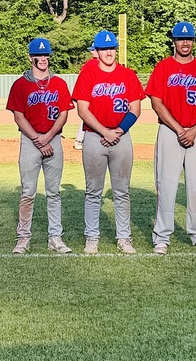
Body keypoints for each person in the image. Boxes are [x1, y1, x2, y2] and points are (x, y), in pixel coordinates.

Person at [146, 21, 196, 255]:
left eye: (189, 39)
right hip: (170, 131)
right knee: (166, 185)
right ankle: (162, 237)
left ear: (193, 41)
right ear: (174, 42)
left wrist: (194, 130)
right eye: (180, 39)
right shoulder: (163, 67)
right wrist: (179, 129)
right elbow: (156, 102)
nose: (185, 42)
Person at [71, 30, 144, 254]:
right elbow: (82, 110)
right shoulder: (87, 75)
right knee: (93, 191)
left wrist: (118, 130)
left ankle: (124, 237)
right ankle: (92, 237)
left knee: (122, 191)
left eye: (111, 48)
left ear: (116, 50)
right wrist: (104, 131)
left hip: (121, 137)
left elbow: (135, 109)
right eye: (104, 49)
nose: (108, 52)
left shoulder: (128, 75)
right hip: (95, 137)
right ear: (97, 51)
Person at [6, 37, 74, 254]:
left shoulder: (59, 83)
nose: (43, 58)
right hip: (30, 140)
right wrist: (38, 139)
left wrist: (49, 136)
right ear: (30, 57)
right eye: (38, 55)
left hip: (54, 139)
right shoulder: (20, 84)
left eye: (46, 55)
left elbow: (63, 114)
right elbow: (19, 116)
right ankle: (23, 238)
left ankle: (55, 237)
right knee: (28, 192)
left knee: (54, 192)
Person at [73, 42, 98, 150]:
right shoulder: (90, 64)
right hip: (90, 96)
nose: (91, 52)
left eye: (93, 50)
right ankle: (79, 140)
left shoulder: (91, 64)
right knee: (88, 117)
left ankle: (80, 140)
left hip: (94, 95)